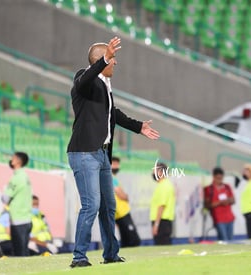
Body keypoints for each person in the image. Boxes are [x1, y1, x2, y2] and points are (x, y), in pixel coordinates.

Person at [67, 36, 160, 268]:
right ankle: (79, 257)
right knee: (91, 205)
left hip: (102, 154)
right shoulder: (83, 78)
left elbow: (113, 114)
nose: (115, 63)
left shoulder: (104, 87)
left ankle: (110, 254)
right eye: (112, 59)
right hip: (85, 152)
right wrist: (104, 58)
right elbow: (83, 81)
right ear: (102, 60)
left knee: (109, 206)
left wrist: (138, 126)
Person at [1, 152, 33, 256]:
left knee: (19, 254)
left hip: (18, 220)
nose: (11, 160)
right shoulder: (26, 176)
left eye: (13, 158)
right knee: (24, 252)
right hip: (27, 219)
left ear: (18, 161)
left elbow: (5, 198)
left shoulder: (16, 178)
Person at [111, 156, 141, 247]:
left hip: (118, 213)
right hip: (122, 212)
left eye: (117, 164)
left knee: (125, 237)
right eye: (114, 164)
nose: (116, 166)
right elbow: (120, 193)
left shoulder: (112, 177)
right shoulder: (111, 178)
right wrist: (126, 197)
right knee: (133, 239)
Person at [204, 167, 235, 241]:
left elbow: (233, 200)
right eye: (218, 178)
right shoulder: (209, 189)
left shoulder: (227, 187)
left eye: (221, 178)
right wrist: (220, 202)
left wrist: (227, 201)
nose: (219, 180)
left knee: (230, 240)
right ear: (214, 177)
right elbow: (208, 205)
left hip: (230, 218)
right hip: (218, 219)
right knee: (224, 239)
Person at [150, 162, 176, 245]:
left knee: (161, 245)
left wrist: (156, 225)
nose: (153, 173)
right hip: (164, 221)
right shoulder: (166, 184)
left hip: (162, 222)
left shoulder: (163, 186)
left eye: (154, 171)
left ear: (161, 172)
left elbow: (161, 206)